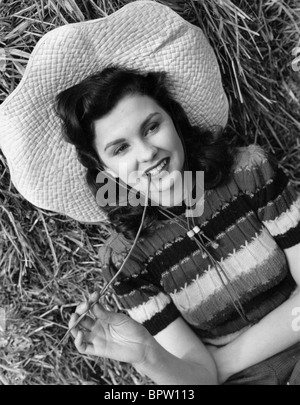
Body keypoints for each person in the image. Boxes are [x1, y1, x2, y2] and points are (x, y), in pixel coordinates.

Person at [56, 66, 300, 385]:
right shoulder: (125, 260)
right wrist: (147, 354)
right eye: (120, 148)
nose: (147, 153)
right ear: (104, 168)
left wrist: (222, 363)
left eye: (151, 127)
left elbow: (211, 373)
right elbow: (198, 380)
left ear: (173, 118)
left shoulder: (249, 172)